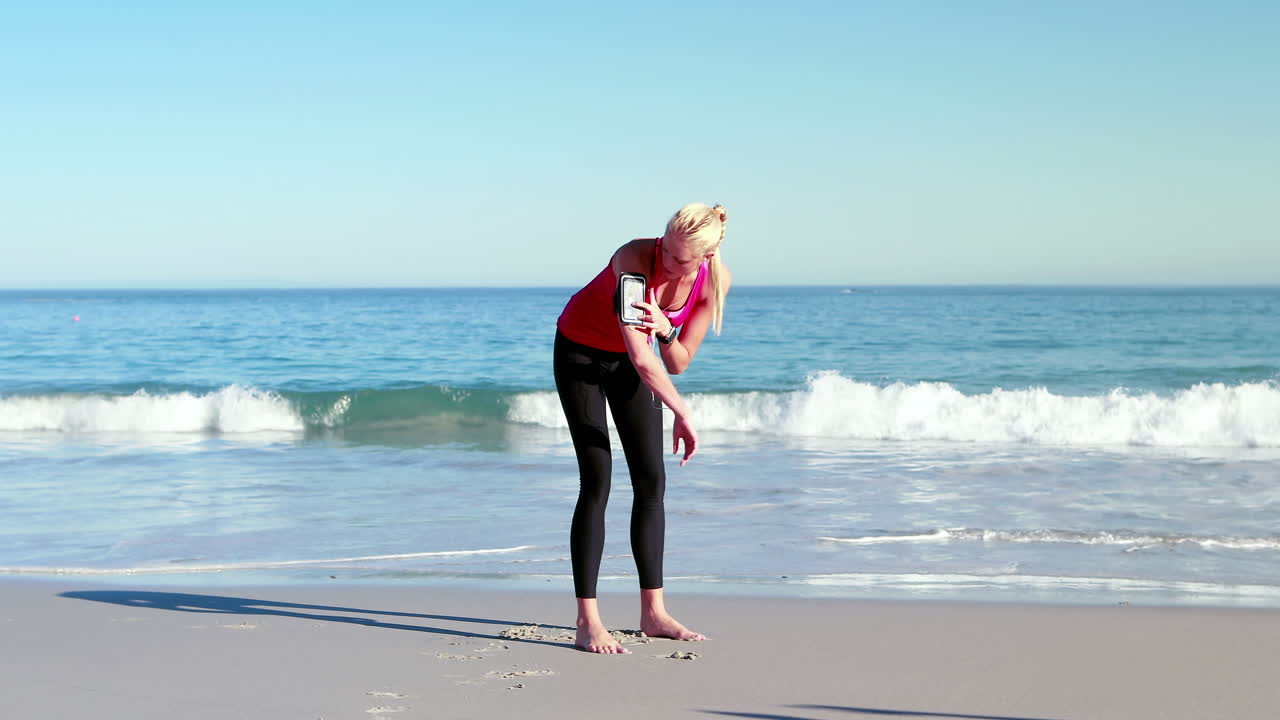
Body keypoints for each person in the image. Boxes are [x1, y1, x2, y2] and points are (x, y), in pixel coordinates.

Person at [553, 202, 731, 654]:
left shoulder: (714, 281)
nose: (667, 262)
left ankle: (653, 613)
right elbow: (639, 353)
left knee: (652, 482)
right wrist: (683, 413)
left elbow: (678, 360)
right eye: (666, 250)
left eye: (680, 259)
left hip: (634, 363)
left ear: (706, 257)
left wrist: (668, 327)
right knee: (597, 479)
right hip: (580, 355)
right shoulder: (633, 260)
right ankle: (587, 621)